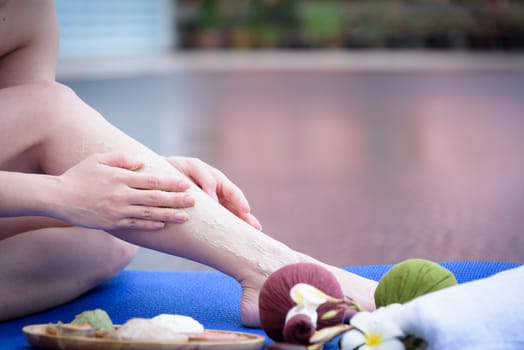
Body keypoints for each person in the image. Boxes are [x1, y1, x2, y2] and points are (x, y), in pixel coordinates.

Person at [0, 0, 377, 325]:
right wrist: (60, 193)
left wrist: (145, 172)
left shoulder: (26, 11)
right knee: (52, 110)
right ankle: (272, 268)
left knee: (112, 232)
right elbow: (42, 122)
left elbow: (25, 151)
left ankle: (272, 269)